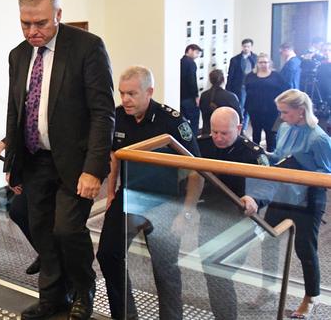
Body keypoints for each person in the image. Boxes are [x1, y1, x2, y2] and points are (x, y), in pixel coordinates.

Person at [4, 0, 115, 320]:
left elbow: (102, 112)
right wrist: (13, 163)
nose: (32, 31)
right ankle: (53, 296)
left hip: (76, 163)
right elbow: (15, 110)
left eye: (40, 23)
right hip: (36, 160)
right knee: (42, 231)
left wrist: (94, 169)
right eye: (26, 23)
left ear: (58, 15)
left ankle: (84, 288)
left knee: (67, 230)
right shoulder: (18, 54)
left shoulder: (87, 47)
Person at [96, 65, 202, 320]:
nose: (125, 100)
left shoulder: (172, 121)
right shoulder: (118, 116)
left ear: (149, 91)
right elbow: (114, 156)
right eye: (122, 93)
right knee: (108, 254)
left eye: (132, 94)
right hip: (130, 195)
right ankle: (125, 315)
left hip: (165, 201)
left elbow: (197, 171)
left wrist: (186, 212)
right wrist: (110, 193)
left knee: (164, 268)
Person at [245, 89, 331, 319]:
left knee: (305, 249)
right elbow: (280, 156)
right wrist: (262, 155)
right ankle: (268, 289)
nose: (281, 117)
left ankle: (310, 297)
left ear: (300, 112)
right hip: (283, 193)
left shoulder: (318, 138)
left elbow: (327, 175)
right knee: (268, 240)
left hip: (308, 199)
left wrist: (300, 171)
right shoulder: (284, 127)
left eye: (285, 112)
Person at [196, 107, 267, 320]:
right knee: (213, 272)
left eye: (224, 133)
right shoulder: (203, 144)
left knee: (220, 273)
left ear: (238, 128)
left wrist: (256, 199)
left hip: (239, 222)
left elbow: (269, 185)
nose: (217, 137)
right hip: (209, 218)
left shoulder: (253, 153)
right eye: (214, 131)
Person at [0, 140, 40, 275]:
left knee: (65, 227)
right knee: (19, 211)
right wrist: (5, 142)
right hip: (34, 162)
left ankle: (78, 275)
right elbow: (28, 122)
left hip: (62, 162)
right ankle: (47, 254)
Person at [244, 53, 288, 152]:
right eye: (261, 62)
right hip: (255, 110)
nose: (263, 64)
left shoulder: (276, 76)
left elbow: (285, 90)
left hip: (271, 110)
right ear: (257, 64)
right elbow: (247, 89)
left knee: (271, 134)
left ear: (270, 63)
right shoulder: (250, 76)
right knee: (256, 134)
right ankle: (255, 155)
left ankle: (271, 155)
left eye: (266, 62)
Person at [226, 38, 257, 131]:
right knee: (241, 107)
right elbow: (230, 75)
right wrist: (228, 88)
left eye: (248, 46)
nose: (246, 48)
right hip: (240, 87)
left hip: (252, 87)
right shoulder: (235, 59)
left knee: (249, 107)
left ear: (251, 47)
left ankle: (244, 127)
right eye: (244, 46)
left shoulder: (255, 58)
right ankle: (240, 127)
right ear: (242, 47)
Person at [198, 69, 241, 135]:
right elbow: (239, 117)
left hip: (207, 132)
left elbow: (202, 110)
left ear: (210, 80)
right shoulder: (230, 97)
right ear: (224, 80)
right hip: (225, 134)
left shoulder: (204, 95)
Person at [180, 44, 203, 134]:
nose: (197, 56)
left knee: (183, 120)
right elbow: (192, 81)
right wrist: (196, 96)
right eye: (196, 53)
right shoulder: (191, 63)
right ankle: (195, 140)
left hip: (180, 96)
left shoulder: (180, 61)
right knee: (194, 120)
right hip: (189, 97)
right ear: (189, 50)